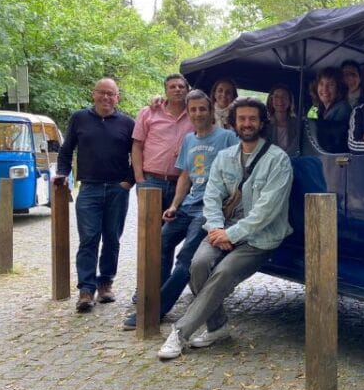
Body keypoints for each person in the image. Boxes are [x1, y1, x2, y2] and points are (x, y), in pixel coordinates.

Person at [157, 97, 293, 359]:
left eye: (252, 118)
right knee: (197, 265)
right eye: (241, 119)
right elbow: (212, 197)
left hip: (259, 237)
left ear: (262, 122)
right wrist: (217, 229)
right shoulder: (224, 157)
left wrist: (230, 234)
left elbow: (267, 211)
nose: (247, 123)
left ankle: (180, 332)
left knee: (223, 271)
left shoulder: (278, 160)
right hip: (222, 229)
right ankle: (217, 327)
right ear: (233, 123)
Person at [123, 89, 237, 330]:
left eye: (202, 109)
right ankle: (152, 295)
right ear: (188, 111)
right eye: (193, 109)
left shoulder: (226, 137)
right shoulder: (189, 140)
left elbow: (241, 171)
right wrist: (175, 205)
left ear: (210, 111)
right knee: (159, 244)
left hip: (210, 209)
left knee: (187, 259)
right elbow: (185, 175)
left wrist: (230, 204)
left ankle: (155, 310)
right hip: (187, 206)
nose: (197, 114)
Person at [54, 78, 135, 312]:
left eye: (112, 94)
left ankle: (106, 283)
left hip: (117, 190)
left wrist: (128, 182)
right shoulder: (79, 118)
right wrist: (62, 174)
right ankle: (86, 290)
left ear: (117, 97)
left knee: (112, 238)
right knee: (89, 238)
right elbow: (66, 150)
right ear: (94, 94)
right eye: (102, 93)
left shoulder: (127, 123)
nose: (106, 98)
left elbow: (139, 154)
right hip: (89, 188)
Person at [132, 73, 193, 213]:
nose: (177, 89)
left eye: (181, 86)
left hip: (182, 183)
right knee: (149, 230)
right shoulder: (148, 112)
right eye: (172, 87)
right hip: (151, 181)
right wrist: (140, 179)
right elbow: (137, 146)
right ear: (165, 91)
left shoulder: (195, 114)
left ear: (187, 90)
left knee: (174, 231)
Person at [311, 67, 351, 152]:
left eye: (331, 84)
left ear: (338, 88)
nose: (325, 89)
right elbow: (309, 123)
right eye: (321, 84)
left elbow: (334, 139)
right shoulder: (316, 107)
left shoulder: (343, 107)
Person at [266, 84, 299, 155]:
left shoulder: (298, 124)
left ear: (290, 101)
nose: (280, 100)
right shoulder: (265, 123)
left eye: (284, 97)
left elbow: (297, 147)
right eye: (276, 96)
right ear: (271, 101)